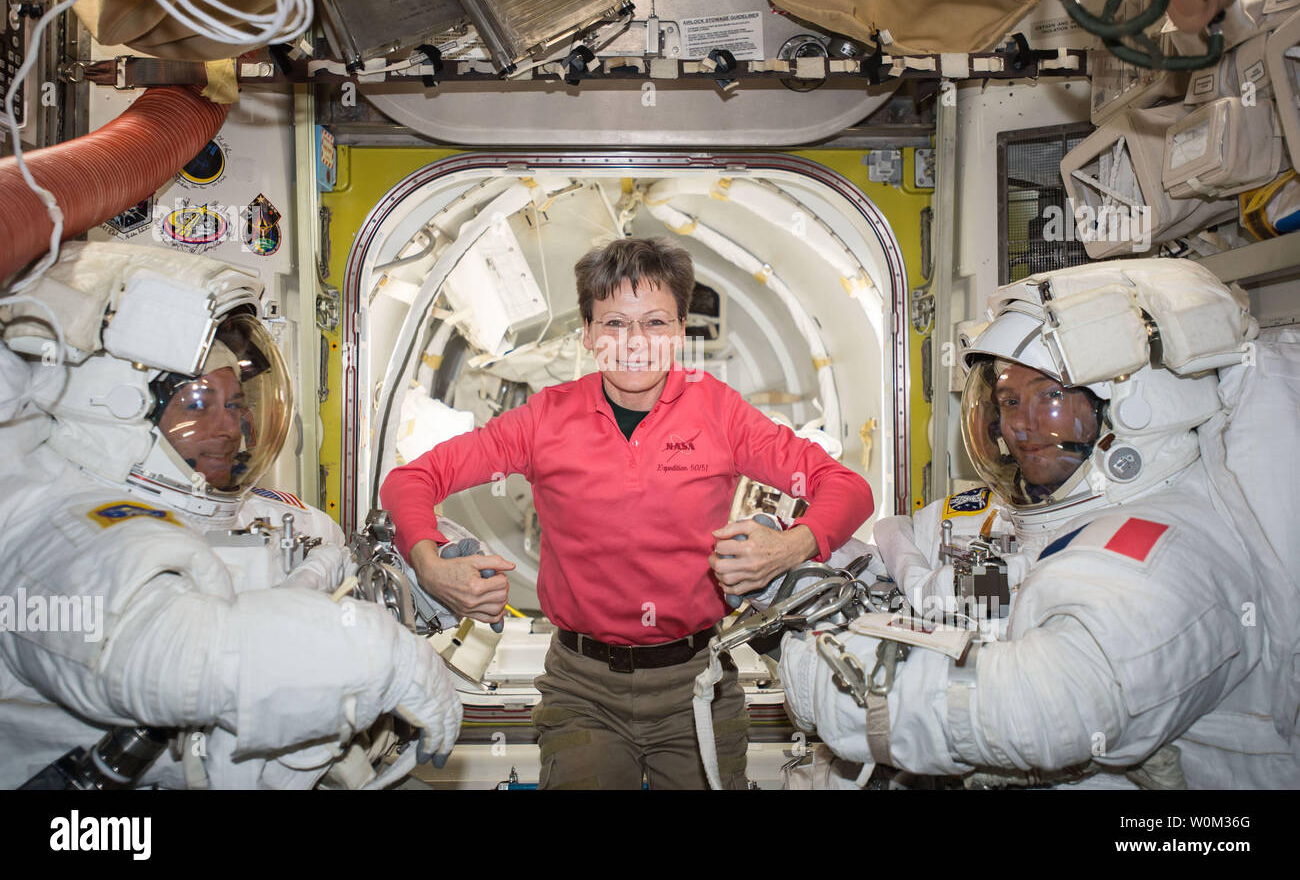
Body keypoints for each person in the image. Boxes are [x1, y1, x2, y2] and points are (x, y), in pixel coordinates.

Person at [779, 258, 1300, 789]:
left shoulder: (1168, 550)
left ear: (1135, 406)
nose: (1018, 426)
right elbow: (935, 580)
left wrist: (829, 683)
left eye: (1049, 396)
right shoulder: (1030, 516)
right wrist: (794, 569)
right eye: (1008, 401)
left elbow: (1049, 705)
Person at [381, 236, 874, 789]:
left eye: (655, 322)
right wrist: (430, 564)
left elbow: (848, 488)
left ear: (680, 330)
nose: (635, 342)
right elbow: (410, 480)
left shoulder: (719, 412)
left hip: (697, 683)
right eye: (614, 323)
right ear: (588, 333)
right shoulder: (545, 419)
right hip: (581, 690)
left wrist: (788, 546)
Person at [0, 241, 462, 789]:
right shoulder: (60, 535)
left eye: (236, 404)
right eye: (197, 404)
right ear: (120, 408)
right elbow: (171, 655)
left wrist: (426, 583)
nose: (229, 428)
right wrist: (385, 659)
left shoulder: (255, 513)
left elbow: (341, 583)